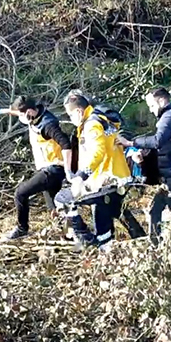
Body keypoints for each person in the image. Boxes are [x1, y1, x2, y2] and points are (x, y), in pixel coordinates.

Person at [54, 92, 132, 251]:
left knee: (64, 200)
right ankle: (142, 240)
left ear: (78, 111)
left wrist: (81, 177)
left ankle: (89, 241)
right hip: (114, 176)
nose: (70, 118)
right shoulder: (101, 119)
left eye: (70, 114)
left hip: (106, 180)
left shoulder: (91, 125)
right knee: (113, 213)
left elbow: (98, 152)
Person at [117, 87, 171, 236]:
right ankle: (155, 246)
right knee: (155, 210)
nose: (150, 110)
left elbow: (157, 141)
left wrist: (131, 143)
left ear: (161, 101)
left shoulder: (170, 116)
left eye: (152, 106)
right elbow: (167, 143)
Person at [0, 96, 74, 240]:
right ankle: (68, 235)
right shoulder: (35, 113)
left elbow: (66, 144)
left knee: (21, 193)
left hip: (53, 169)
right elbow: (19, 111)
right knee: (55, 208)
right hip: (47, 167)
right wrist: (2, 111)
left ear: (30, 112)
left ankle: (22, 229)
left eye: (22, 115)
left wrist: (68, 171)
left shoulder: (47, 125)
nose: (20, 118)